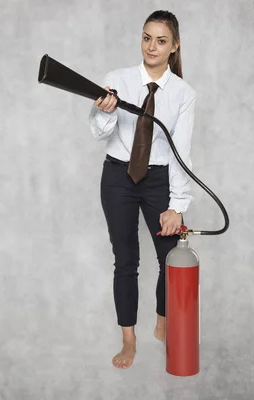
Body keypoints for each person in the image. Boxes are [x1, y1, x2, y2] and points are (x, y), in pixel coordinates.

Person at [88, 10, 196, 369]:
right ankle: (129, 340)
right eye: (147, 37)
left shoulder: (183, 94)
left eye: (161, 40)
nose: (152, 46)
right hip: (118, 178)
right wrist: (104, 111)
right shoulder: (116, 79)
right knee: (125, 261)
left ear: (174, 46)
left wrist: (177, 206)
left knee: (169, 259)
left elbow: (182, 151)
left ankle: (163, 324)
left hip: (159, 180)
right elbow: (100, 133)